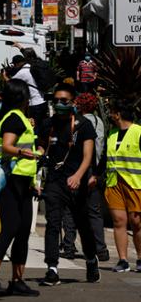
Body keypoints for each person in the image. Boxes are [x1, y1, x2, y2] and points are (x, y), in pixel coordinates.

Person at [0, 79, 41, 297]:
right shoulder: (14, 118)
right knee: (12, 227)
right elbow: (7, 146)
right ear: (23, 98)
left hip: (23, 180)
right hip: (10, 180)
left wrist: (33, 182)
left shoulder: (19, 118)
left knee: (23, 229)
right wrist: (23, 152)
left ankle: (17, 280)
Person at [38, 83, 100, 286]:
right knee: (53, 223)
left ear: (73, 101)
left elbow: (88, 155)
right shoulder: (48, 124)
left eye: (63, 100)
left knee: (83, 223)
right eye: (55, 100)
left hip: (76, 183)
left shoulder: (83, 125)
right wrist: (37, 155)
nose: (59, 104)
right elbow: (41, 147)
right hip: (54, 181)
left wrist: (79, 176)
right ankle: (52, 268)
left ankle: (91, 259)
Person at [61, 93, 109, 261]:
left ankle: (68, 247)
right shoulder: (99, 122)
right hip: (92, 171)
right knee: (94, 212)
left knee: (70, 210)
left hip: (76, 169)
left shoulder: (77, 122)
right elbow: (102, 150)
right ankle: (101, 249)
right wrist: (96, 173)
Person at [99, 98, 141, 273]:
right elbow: (104, 159)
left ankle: (140, 258)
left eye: (111, 111)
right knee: (119, 221)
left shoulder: (138, 132)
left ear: (118, 114)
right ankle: (123, 260)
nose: (109, 114)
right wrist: (95, 175)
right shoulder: (112, 133)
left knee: (137, 222)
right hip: (114, 183)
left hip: (135, 183)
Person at [9, 55, 48, 136]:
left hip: (34, 104)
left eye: (15, 65)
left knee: (34, 126)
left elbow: (11, 85)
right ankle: (42, 142)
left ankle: (36, 143)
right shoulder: (32, 67)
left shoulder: (22, 72)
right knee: (41, 125)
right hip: (43, 100)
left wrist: (4, 77)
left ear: (18, 63)